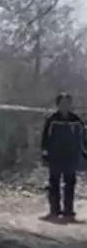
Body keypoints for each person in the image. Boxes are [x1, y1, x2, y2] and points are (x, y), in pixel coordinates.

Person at [40, 92, 86, 221]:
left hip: (70, 156)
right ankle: (54, 210)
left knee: (70, 183)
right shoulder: (52, 119)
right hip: (55, 156)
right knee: (54, 183)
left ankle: (68, 211)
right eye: (62, 103)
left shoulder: (76, 120)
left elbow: (83, 137)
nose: (65, 106)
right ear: (58, 104)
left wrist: (83, 152)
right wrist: (45, 151)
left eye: (67, 103)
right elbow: (45, 136)